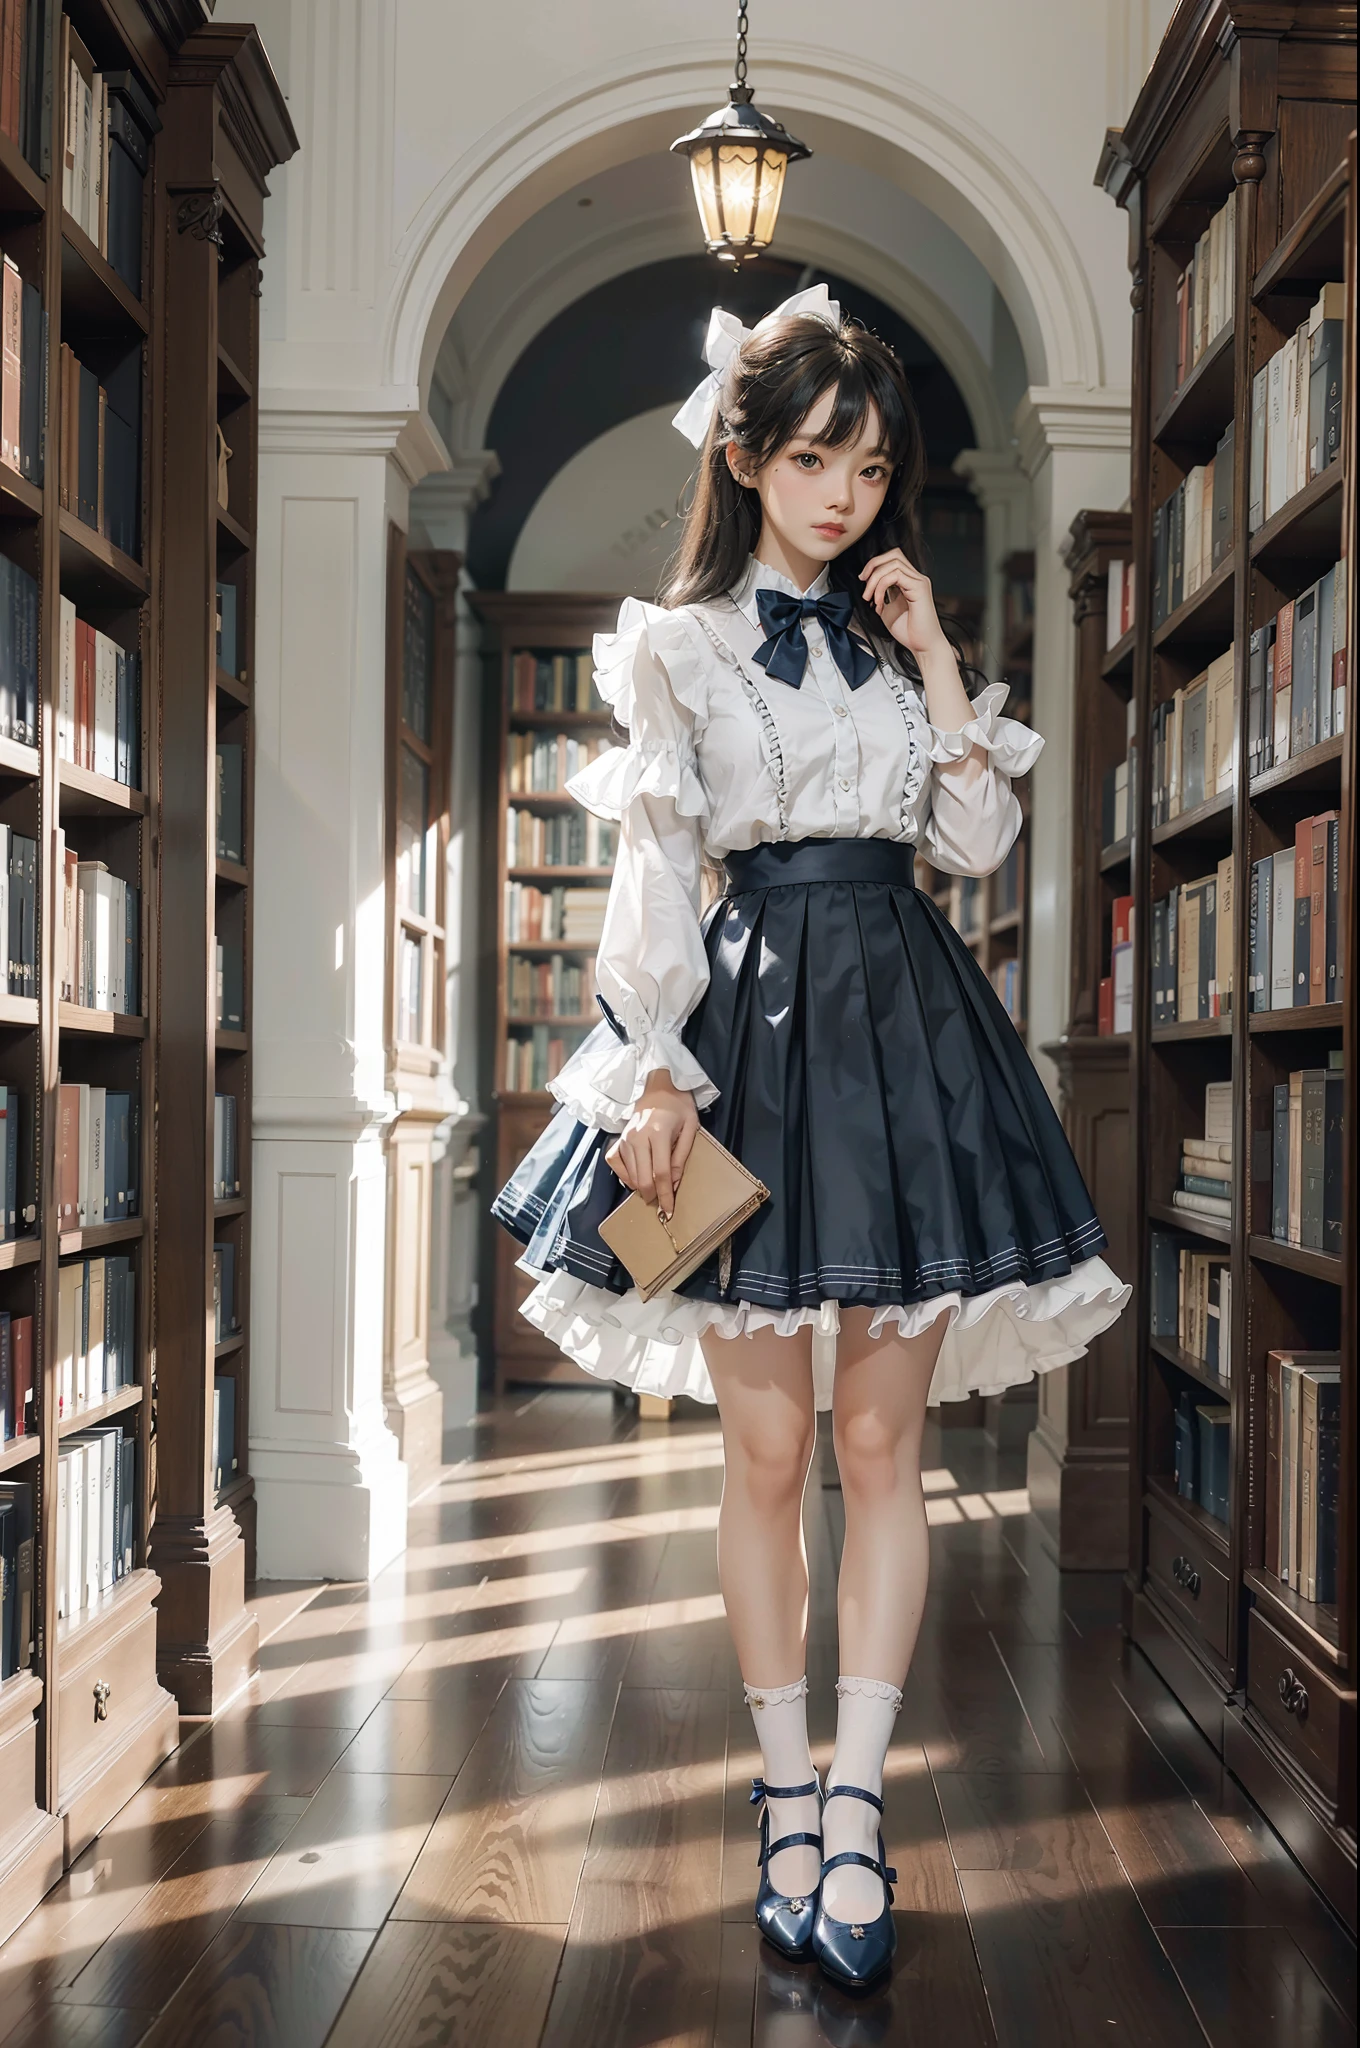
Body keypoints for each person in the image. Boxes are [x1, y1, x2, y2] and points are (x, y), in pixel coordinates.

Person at [492, 284, 1130, 1991]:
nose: (844, 491)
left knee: (879, 1450)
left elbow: (980, 840)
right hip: (750, 1034)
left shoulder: (893, 639)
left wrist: (930, 652)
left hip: (911, 1035)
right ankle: (782, 1793)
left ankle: (860, 1803)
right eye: (814, 458)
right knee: (764, 1453)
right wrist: (645, 1077)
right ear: (752, 460)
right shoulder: (681, 645)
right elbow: (654, 871)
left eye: (869, 463)